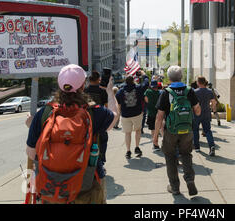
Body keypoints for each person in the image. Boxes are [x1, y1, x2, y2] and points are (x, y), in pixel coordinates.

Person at [26, 64, 119, 204]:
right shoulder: (94, 111)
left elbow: (32, 153)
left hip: (52, 188)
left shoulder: (44, 113)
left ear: (60, 84)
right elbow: (115, 116)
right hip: (88, 185)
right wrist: (110, 92)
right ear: (83, 86)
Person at [153, 65, 201, 196]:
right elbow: (198, 111)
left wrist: (155, 136)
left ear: (169, 77)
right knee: (186, 154)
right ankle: (190, 179)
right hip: (187, 130)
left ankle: (175, 187)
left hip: (171, 131)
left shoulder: (166, 92)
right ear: (181, 77)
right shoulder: (189, 91)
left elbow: (159, 117)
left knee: (170, 157)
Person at [116, 71, 149, 159]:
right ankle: (137, 147)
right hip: (137, 114)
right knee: (138, 130)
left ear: (125, 81)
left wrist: (119, 114)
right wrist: (143, 74)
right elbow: (146, 82)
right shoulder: (138, 88)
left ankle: (128, 151)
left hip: (125, 115)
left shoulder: (120, 92)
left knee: (127, 133)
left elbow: (118, 105)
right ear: (133, 80)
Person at [84, 71, 110, 176]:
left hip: (87, 120)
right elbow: (106, 107)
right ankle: (101, 161)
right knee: (103, 140)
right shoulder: (102, 91)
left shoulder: (85, 91)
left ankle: (89, 162)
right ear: (98, 79)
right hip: (100, 121)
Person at [192, 76, 217, 156]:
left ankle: (197, 147)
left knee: (195, 130)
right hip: (206, 113)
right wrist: (213, 109)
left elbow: (192, 104)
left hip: (196, 113)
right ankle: (211, 146)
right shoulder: (209, 91)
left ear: (198, 83)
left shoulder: (195, 92)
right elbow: (214, 102)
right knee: (207, 131)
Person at [144, 80, 162, 151]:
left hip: (151, 113)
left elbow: (146, 99)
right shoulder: (160, 93)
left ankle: (155, 144)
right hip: (159, 113)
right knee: (160, 128)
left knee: (153, 129)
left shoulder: (148, 92)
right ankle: (159, 143)